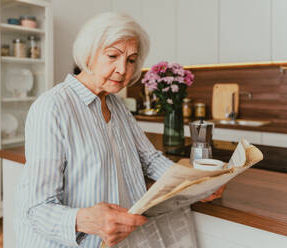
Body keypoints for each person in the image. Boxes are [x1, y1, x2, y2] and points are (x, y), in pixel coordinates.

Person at [14, 12, 223, 248]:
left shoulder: (117, 106)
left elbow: (150, 159)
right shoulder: (52, 107)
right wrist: (85, 219)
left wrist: (193, 184)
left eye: (131, 60)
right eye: (112, 56)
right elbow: (37, 208)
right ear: (88, 55)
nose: (123, 69)